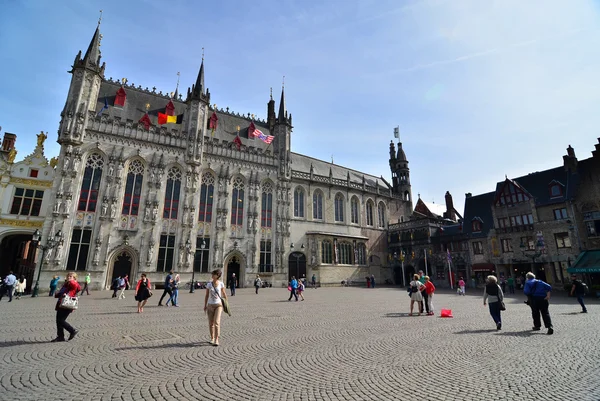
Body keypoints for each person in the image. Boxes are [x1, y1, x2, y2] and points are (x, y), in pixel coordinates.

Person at [52, 272, 81, 342]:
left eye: (70, 276)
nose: (68, 277)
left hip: (67, 304)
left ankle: (72, 330)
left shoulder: (74, 284)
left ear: (74, 278)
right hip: (61, 303)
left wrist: (71, 281)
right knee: (58, 321)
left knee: (61, 320)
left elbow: (74, 285)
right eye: (68, 276)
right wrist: (58, 294)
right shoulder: (67, 284)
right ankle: (60, 336)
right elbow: (63, 292)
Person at [204, 269, 227, 346]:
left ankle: (217, 339)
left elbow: (224, 293)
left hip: (218, 305)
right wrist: (205, 305)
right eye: (212, 274)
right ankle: (212, 338)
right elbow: (207, 295)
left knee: (216, 322)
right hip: (210, 305)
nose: (212, 275)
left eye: (214, 274)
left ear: (217, 276)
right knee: (211, 323)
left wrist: (226, 303)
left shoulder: (221, 284)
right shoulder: (209, 284)